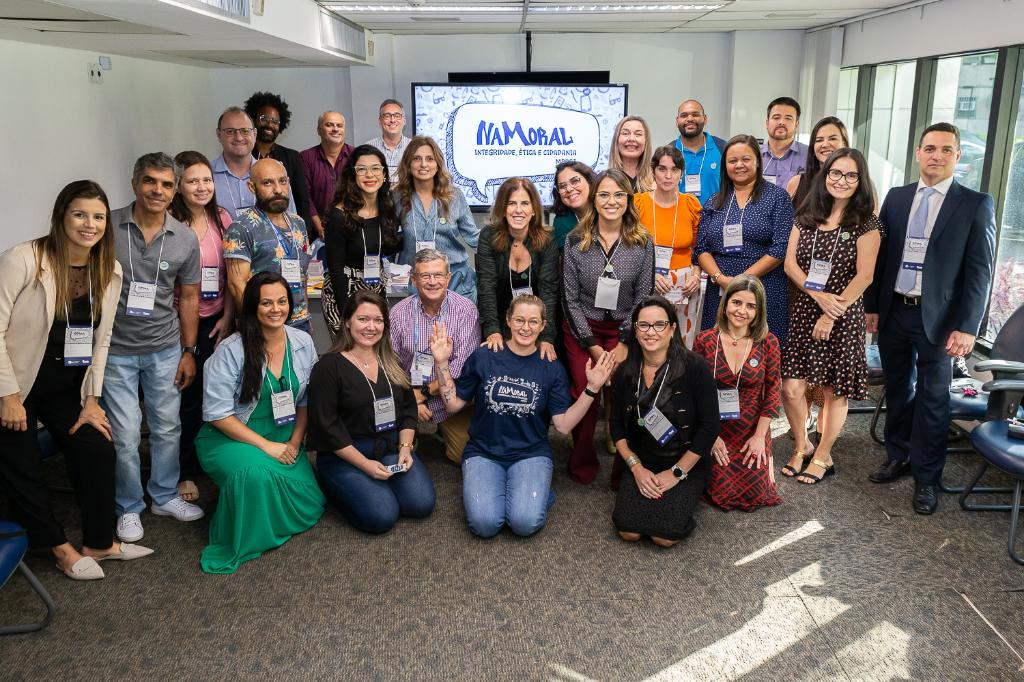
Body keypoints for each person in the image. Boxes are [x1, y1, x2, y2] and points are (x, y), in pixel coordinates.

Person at [0, 180, 153, 581]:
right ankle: (57, 547)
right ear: (61, 216)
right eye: (80, 214)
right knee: (23, 465)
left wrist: (92, 400)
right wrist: (8, 396)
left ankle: (100, 542)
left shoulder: (108, 269)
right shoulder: (23, 259)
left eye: (98, 217)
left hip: (63, 386)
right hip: (15, 383)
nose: (90, 224)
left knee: (97, 448)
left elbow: (102, 341)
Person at [864, 122, 997, 515]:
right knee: (897, 389)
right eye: (930, 148)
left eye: (945, 150)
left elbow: (980, 272)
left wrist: (969, 327)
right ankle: (898, 455)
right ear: (918, 153)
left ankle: (927, 477)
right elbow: (882, 257)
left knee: (934, 398)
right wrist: (872, 306)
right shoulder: (898, 197)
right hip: (895, 311)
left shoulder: (974, 204)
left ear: (958, 156)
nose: (936, 156)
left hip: (941, 321)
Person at [430, 295, 615, 537]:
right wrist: (441, 362)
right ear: (508, 321)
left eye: (533, 321)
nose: (525, 327)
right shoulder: (485, 356)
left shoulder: (551, 367)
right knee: (484, 525)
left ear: (542, 325)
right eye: (519, 320)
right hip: (484, 451)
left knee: (524, 523)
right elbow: (452, 405)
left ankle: (533, 493)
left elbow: (563, 425)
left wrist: (591, 389)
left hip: (530, 453)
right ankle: (518, 493)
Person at [104, 153, 204, 543]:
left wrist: (189, 351)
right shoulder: (108, 226)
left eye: (166, 184)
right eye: (149, 181)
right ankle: (128, 506)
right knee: (126, 433)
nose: (157, 190)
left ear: (174, 190)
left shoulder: (185, 238)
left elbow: (190, 297)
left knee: (167, 426)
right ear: (135, 184)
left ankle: (163, 495)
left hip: (164, 347)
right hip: (115, 349)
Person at [196, 272, 324, 573]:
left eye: (282, 301)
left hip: (283, 435)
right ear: (253, 306)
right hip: (231, 437)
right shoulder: (230, 350)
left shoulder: (303, 341)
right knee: (253, 477)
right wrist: (266, 446)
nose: (276, 309)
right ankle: (247, 529)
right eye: (266, 303)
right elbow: (217, 414)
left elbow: (306, 400)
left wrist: (295, 442)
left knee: (310, 499)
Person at [780, 149, 881, 485]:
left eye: (851, 175)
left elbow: (865, 276)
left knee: (832, 389)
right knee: (792, 387)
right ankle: (802, 445)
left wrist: (830, 312)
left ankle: (823, 454)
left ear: (860, 180)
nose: (842, 180)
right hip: (806, 309)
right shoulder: (807, 214)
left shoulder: (866, 221)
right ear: (825, 176)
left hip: (843, 314)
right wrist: (817, 296)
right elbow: (790, 264)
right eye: (836, 173)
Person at [307, 291, 436, 534]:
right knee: (381, 516)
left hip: (389, 447)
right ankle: (333, 485)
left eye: (378, 320)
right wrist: (365, 465)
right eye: (363, 319)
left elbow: (408, 409)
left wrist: (405, 449)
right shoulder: (328, 367)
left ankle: (374, 488)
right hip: (345, 454)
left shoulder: (391, 361)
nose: (371, 327)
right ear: (347, 321)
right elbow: (327, 426)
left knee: (420, 504)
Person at [562, 169, 654, 485]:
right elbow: (570, 299)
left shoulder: (642, 242)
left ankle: (623, 472)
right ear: (594, 198)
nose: (611, 201)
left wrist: (624, 343)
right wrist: (594, 348)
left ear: (628, 199)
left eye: (618, 195)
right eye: (604, 194)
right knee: (584, 391)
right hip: (582, 330)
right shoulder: (575, 240)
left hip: (624, 331)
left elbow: (643, 297)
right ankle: (582, 463)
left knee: (626, 393)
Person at [611, 296, 720, 546]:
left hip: (684, 461)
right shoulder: (626, 371)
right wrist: (636, 468)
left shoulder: (694, 367)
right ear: (635, 330)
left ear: (672, 329)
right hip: (642, 460)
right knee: (628, 531)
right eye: (643, 325)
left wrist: (676, 473)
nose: (651, 332)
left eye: (659, 325)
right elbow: (616, 425)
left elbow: (710, 426)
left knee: (663, 537)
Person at [168, 150, 234, 504]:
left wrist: (227, 317)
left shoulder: (222, 218)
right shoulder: (169, 222)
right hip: (178, 322)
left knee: (219, 391)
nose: (201, 187)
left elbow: (233, 272)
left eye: (206, 179)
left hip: (217, 319)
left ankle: (212, 456)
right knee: (187, 398)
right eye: (192, 181)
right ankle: (185, 470)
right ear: (178, 185)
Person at [694, 134, 794, 347]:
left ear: (757, 161)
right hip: (721, 289)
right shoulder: (714, 201)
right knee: (717, 350)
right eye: (732, 161)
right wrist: (721, 279)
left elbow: (780, 248)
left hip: (763, 287)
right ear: (725, 165)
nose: (739, 165)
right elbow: (701, 248)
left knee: (760, 351)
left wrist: (742, 281)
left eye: (745, 159)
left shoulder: (777, 197)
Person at [694, 275, 782, 511]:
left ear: (759, 311)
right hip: (714, 426)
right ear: (725, 304)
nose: (742, 311)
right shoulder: (704, 340)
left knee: (756, 493)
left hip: (751, 429)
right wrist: (710, 436)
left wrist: (760, 438)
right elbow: (694, 393)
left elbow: (773, 392)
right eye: (736, 302)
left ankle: (766, 461)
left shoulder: (769, 342)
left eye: (751, 306)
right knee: (717, 491)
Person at [390, 250, 479, 465]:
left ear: (448, 278)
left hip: (450, 401)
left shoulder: (466, 311)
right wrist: (410, 400)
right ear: (413, 279)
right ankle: (413, 431)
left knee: (465, 455)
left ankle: (441, 429)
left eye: (438, 275)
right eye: (425, 276)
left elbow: (462, 369)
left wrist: (423, 394)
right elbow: (390, 365)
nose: (432, 282)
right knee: (392, 452)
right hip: (407, 398)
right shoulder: (398, 313)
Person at [223, 158, 312, 332]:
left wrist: (305, 315)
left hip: (300, 322)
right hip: (263, 324)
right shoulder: (241, 228)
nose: (278, 189)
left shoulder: (299, 223)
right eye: (267, 183)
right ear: (252, 187)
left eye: (282, 181)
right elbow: (236, 285)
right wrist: (257, 327)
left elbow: (303, 275)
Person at [322, 144, 403, 336]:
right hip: (344, 293)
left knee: (377, 349)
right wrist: (347, 315)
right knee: (352, 350)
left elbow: (388, 245)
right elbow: (335, 270)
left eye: (375, 168)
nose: (369, 175)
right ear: (353, 174)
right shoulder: (339, 215)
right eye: (361, 169)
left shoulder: (387, 208)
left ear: (384, 174)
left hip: (376, 290)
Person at [477, 177, 559, 361]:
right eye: (511, 203)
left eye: (525, 203)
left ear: (533, 210)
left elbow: (549, 292)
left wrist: (546, 337)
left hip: (535, 325)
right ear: (502, 208)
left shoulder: (547, 240)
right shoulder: (488, 236)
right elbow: (486, 287)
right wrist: (492, 330)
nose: (518, 210)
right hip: (499, 320)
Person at [394, 136, 480, 302]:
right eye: (417, 159)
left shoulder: (454, 196)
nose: (423, 164)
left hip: (455, 280)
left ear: (438, 164)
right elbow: (389, 240)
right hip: (418, 283)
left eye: (429, 159)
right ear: (408, 164)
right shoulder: (397, 197)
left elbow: (474, 237)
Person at [635, 145, 703, 348]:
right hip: (649, 280)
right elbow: (631, 248)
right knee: (651, 338)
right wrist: (650, 274)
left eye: (674, 170)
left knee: (683, 341)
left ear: (681, 174)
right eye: (662, 169)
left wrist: (696, 275)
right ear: (653, 171)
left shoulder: (691, 204)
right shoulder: (638, 203)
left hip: (685, 285)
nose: (668, 176)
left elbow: (699, 249)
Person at [212, 106, 297, 220]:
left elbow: (291, 221)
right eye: (230, 131)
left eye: (245, 131)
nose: (239, 137)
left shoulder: (276, 174)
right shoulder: (206, 176)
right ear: (218, 135)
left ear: (255, 134)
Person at [245, 91, 313, 230]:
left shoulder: (292, 157)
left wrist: (305, 231)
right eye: (264, 118)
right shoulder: (244, 156)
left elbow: (302, 200)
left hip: (286, 229)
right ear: (252, 121)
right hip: (252, 228)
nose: (270, 124)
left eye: (275, 121)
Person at [300, 111, 354, 239]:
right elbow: (305, 196)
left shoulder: (356, 155)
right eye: (329, 125)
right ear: (319, 130)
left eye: (339, 126)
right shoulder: (305, 158)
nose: (335, 129)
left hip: (351, 225)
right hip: (317, 230)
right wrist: (319, 227)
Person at [786, 116, 850, 209]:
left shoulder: (856, 183)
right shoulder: (797, 183)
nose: (825, 144)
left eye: (832, 139)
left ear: (844, 143)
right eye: (819, 140)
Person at [671, 99, 727, 202]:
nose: (690, 119)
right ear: (677, 121)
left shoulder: (723, 148)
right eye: (684, 115)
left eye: (695, 114)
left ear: (705, 119)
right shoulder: (668, 151)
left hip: (716, 212)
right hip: (677, 212)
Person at [760, 97, 808, 189]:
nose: (781, 122)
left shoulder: (810, 154)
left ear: (796, 125)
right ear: (767, 123)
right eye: (776, 117)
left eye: (788, 118)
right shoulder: (754, 155)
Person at [551, 161, 596, 250]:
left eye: (575, 181)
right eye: (562, 186)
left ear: (589, 181)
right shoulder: (556, 221)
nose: (569, 189)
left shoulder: (607, 212)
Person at [365, 99, 412, 181]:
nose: (392, 120)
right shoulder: (368, 148)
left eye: (397, 116)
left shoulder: (414, 147)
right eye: (387, 116)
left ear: (404, 121)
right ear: (380, 121)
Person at [609, 116, 654, 193]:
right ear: (616, 140)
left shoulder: (657, 182)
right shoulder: (605, 181)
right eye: (625, 133)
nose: (631, 139)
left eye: (638, 134)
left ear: (646, 141)